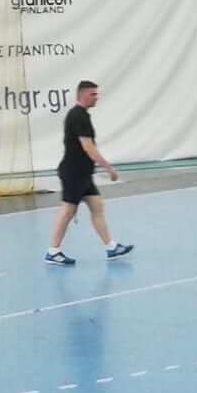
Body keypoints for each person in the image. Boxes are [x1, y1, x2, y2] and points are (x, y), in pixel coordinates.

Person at [45, 81, 133, 265]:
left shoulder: (82, 115)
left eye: (96, 94)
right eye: (93, 94)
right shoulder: (78, 116)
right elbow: (88, 147)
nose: (96, 97)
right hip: (74, 173)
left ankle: (111, 247)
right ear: (83, 95)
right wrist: (108, 167)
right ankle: (53, 252)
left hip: (83, 174)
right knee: (68, 211)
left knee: (97, 206)